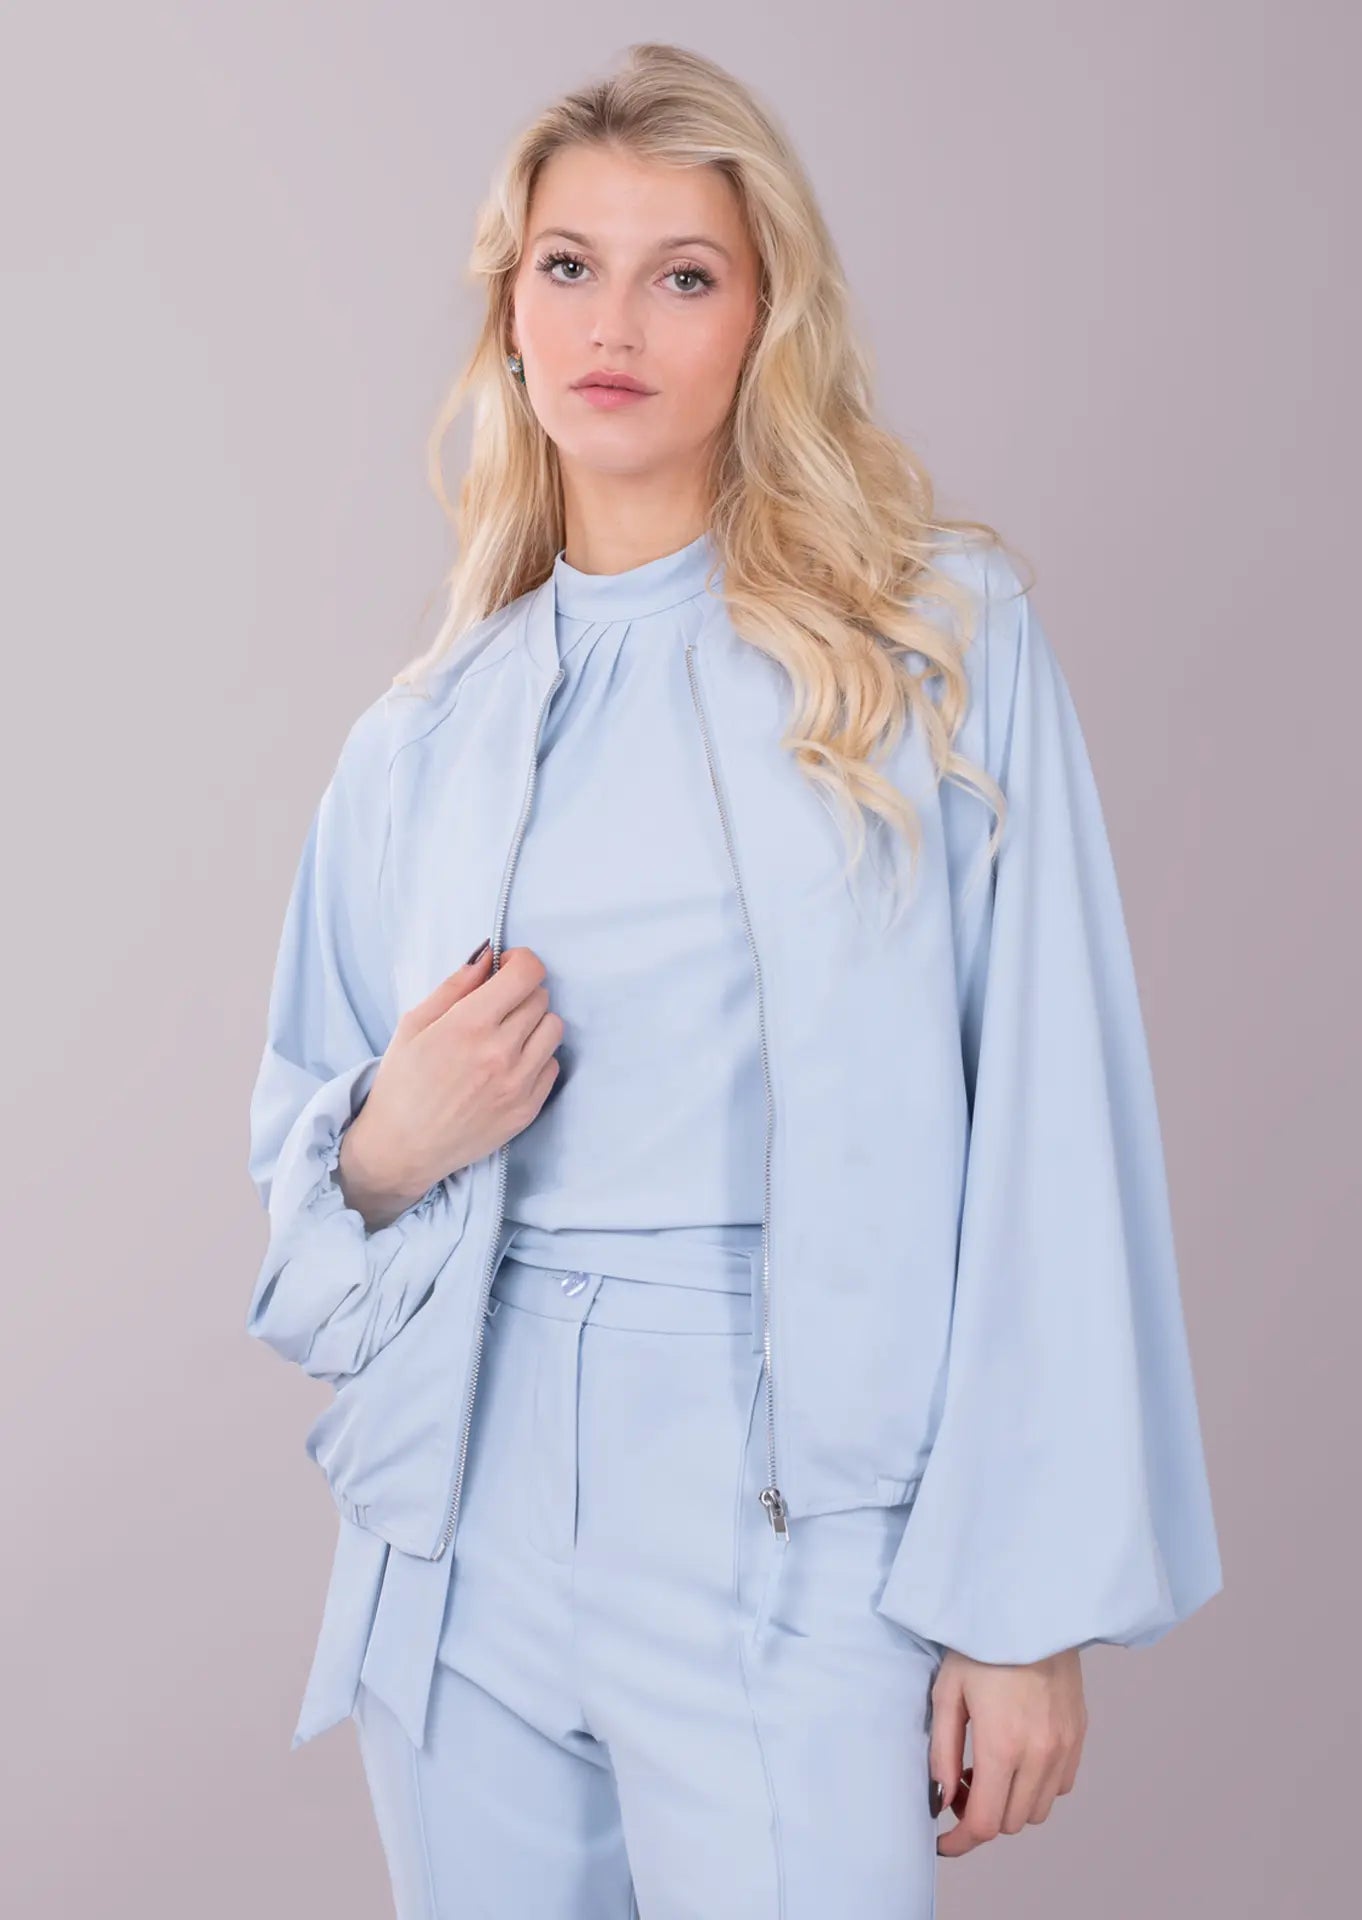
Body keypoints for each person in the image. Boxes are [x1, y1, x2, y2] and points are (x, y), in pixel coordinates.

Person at [244, 41, 1223, 1920]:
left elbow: (1051, 1124)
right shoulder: (423, 736)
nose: (612, 323)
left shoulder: (932, 650)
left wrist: (1017, 1608)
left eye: (681, 273)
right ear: (509, 312)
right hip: (456, 1528)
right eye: (566, 266)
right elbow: (309, 1224)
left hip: (791, 1534)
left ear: (765, 319)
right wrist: (388, 1140)